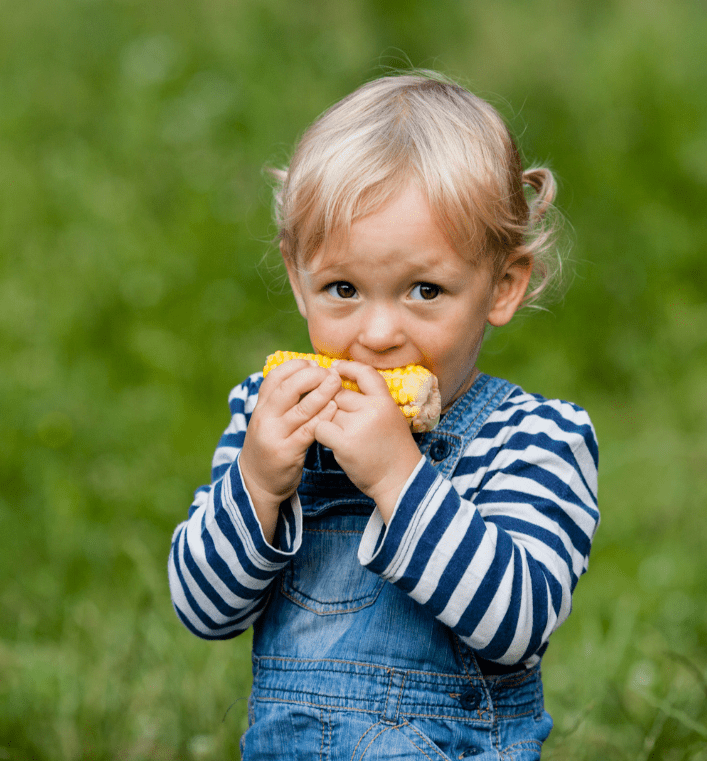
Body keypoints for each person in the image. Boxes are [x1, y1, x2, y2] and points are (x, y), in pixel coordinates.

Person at [168, 72, 600, 760]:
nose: (375, 333)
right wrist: (255, 485)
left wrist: (399, 478)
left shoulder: (534, 439)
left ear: (503, 285)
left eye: (424, 290)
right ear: (296, 276)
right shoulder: (269, 418)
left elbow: (520, 623)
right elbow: (203, 610)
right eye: (342, 289)